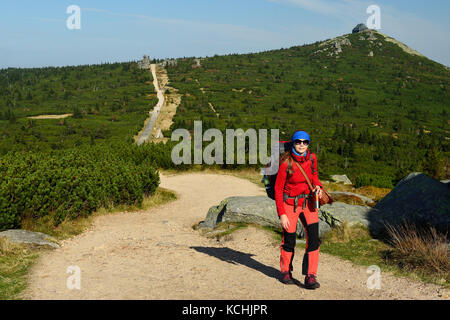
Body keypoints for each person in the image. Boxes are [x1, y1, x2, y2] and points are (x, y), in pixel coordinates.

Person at [274, 130, 323, 290]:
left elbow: (314, 177)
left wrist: (318, 187)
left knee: (314, 239)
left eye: (305, 142)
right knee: (289, 240)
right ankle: (286, 271)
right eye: (298, 141)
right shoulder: (285, 163)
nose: (302, 144)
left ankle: (310, 275)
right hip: (289, 205)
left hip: (308, 203)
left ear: (308, 143)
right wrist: (281, 213)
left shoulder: (312, 158)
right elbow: (278, 189)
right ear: (293, 143)